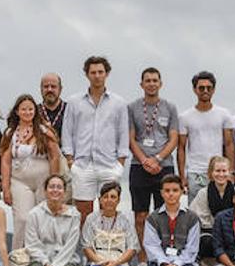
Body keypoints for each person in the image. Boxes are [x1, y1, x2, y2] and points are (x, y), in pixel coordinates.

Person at [62, 55, 130, 217]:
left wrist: (120, 164)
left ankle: (104, 242)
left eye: (101, 72)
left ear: (107, 74)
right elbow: (67, 131)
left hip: (109, 164)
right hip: (82, 165)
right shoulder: (74, 102)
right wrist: (71, 161)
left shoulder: (119, 103)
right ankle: (86, 243)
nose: (97, 75)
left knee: (108, 210)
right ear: (87, 74)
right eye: (93, 72)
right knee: (83, 212)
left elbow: (123, 133)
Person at [127, 67, 182, 245]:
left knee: (165, 214)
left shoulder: (170, 107)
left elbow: (173, 139)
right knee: (141, 215)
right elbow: (130, 138)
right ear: (141, 84)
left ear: (160, 83)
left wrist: (157, 159)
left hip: (164, 166)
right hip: (139, 165)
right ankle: (143, 259)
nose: (151, 84)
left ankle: (163, 255)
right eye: (148, 81)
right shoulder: (132, 107)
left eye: (154, 81)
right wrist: (144, 160)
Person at [0, 93, 62, 218]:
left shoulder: (44, 131)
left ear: (35, 111)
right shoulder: (10, 133)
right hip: (19, 181)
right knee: (23, 218)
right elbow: (5, 162)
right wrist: (6, 188)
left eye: (30, 109)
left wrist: (54, 181)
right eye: (23, 109)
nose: (27, 112)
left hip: (43, 181)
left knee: (44, 216)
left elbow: (55, 156)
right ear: (17, 111)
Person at [178, 70, 231, 201]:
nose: (205, 91)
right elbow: (181, 147)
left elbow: (229, 144)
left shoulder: (224, 114)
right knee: (195, 213)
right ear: (195, 89)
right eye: (201, 88)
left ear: (214, 90)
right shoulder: (185, 117)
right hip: (195, 172)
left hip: (219, 172)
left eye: (209, 88)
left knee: (219, 213)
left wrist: (231, 172)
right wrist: (182, 176)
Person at [190, 154, 235, 261]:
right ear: (211, 173)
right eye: (217, 171)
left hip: (233, 231)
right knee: (206, 241)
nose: (221, 174)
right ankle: (206, 264)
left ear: (229, 172)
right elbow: (196, 218)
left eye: (224, 171)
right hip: (210, 231)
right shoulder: (203, 193)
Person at [38, 72, 68, 156]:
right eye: (46, 86)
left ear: (60, 89)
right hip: (40, 160)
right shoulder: (33, 112)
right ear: (41, 89)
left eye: (53, 86)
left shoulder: (70, 110)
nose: (49, 89)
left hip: (65, 161)